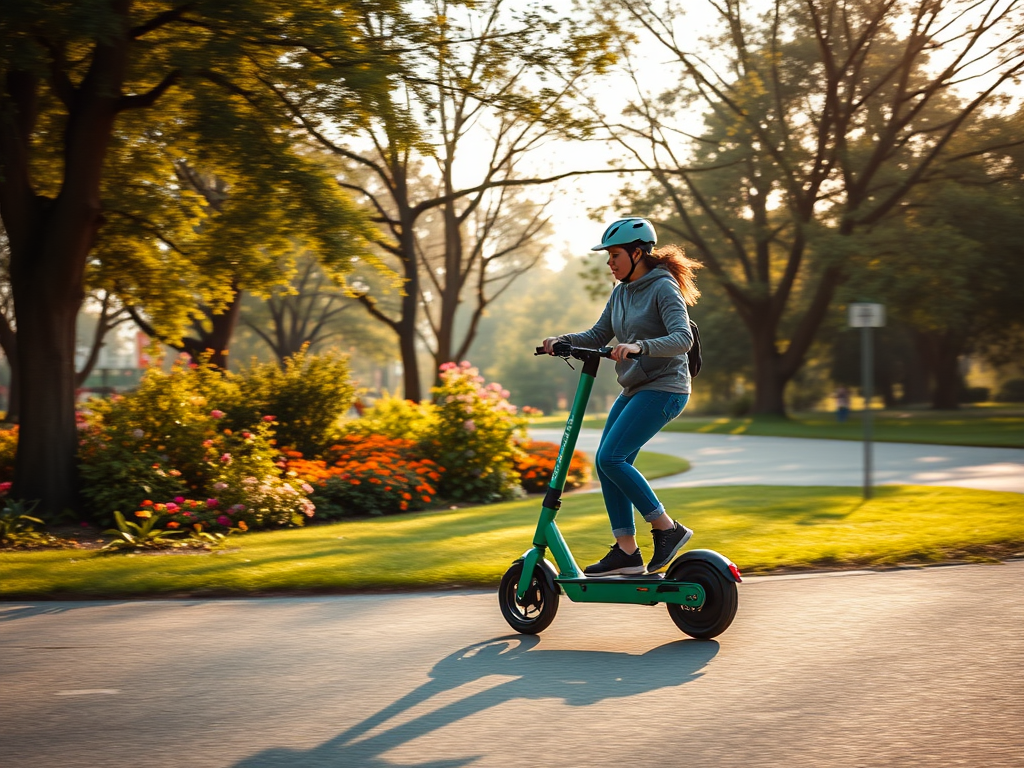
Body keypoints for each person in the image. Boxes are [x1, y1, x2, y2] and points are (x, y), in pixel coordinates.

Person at [542, 217, 702, 576]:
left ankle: (667, 528)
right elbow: (599, 333)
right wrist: (563, 341)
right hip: (635, 388)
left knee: (612, 458)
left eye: (615, 255)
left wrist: (640, 346)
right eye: (608, 256)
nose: (609, 262)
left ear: (637, 252)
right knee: (605, 462)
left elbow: (682, 338)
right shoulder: (620, 293)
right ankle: (627, 552)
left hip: (666, 387)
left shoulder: (663, 288)